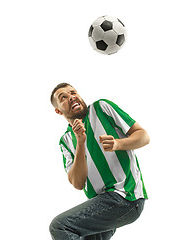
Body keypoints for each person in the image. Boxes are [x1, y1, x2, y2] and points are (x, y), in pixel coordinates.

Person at [49, 83, 150, 240]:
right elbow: (78, 182)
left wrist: (118, 144)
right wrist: (80, 142)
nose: (71, 97)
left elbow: (143, 136)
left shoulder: (101, 108)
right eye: (64, 97)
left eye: (73, 92)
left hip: (125, 197)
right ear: (58, 110)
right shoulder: (66, 141)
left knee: (60, 226)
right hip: (101, 204)